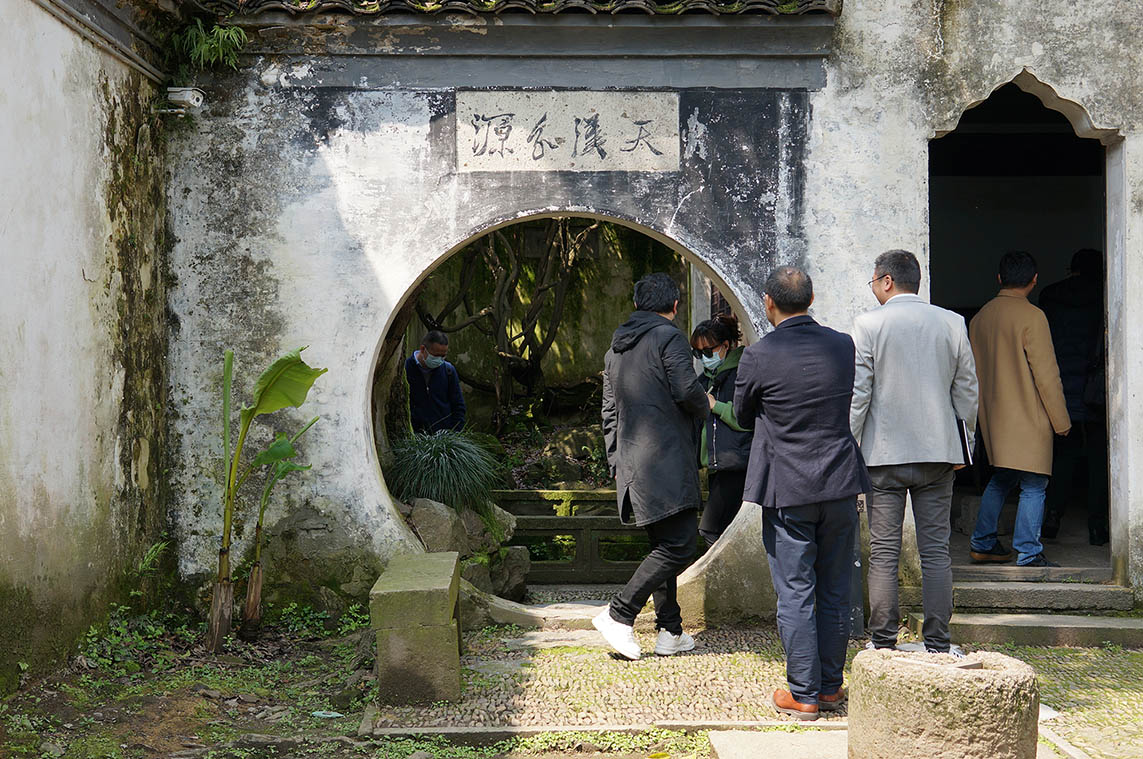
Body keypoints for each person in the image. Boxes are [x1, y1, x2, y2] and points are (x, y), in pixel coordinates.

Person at [735, 266, 871, 721]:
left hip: (787, 486)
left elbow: (742, 412)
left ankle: (803, 693)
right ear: (811, 299)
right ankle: (831, 688)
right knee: (835, 588)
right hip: (838, 481)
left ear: (768, 302)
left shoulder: (757, 355)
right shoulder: (841, 345)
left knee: (795, 590)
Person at [850, 249, 978, 656]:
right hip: (939, 453)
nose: (873, 290)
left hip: (882, 455)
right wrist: (964, 445)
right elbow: (967, 391)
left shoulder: (868, 325)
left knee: (884, 552)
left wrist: (849, 447)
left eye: (873, 282)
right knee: (936, 550)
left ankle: (882, 641)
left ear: (887, 280)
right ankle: (938, 642)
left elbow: (859, 395)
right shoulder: (952, 322)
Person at [596, 272, 709, 661]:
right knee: (680, 546)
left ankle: (671, 631)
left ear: (637, 304)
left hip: (631, 464)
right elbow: (686, 389)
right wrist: (706, 404)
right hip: (665, 459)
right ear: (674, 307)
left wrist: (615, 461)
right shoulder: (668, 337)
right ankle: (619, 613)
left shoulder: (615, 351)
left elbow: (609, 412)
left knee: (664, 545)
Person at [970, 251, 1071, 567]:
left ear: (999, 279)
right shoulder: (1033, 317)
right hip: (1030, 417)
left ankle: (983, 542)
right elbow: (1047, 375)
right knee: (1034, 484)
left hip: (994, 418)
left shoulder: (980, 318)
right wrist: (1061, 421)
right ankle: (1028, 551)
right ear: (1034, 280)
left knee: (1001, 479)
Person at [1038, 248, 1109, 546]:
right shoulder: (1105, 296)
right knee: (1098, 458)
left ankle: (1053, 517)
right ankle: (1097, 528)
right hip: (1095, 390)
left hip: (1061, 388)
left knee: (1062, 457)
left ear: (1071, 268)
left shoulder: (1050, 297)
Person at [690, 314, 753, 544]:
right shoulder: (703, 381)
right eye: (698, 353)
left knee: (710, 529)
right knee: (726, 532)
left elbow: (747, 418)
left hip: (737, 464)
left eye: (708, 352)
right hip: (715, 467)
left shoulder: (743, 372)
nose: (704, 358)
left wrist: (716, 406)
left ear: (725, 346)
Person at [405, 330, 466, 434]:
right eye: (436, 356)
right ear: (423, 349)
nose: (439, 360)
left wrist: (455, 432)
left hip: (443, 437)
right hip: (415, 436)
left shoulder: (448, 371)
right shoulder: (406, 369)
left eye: (443, 356)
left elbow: (458, 405)